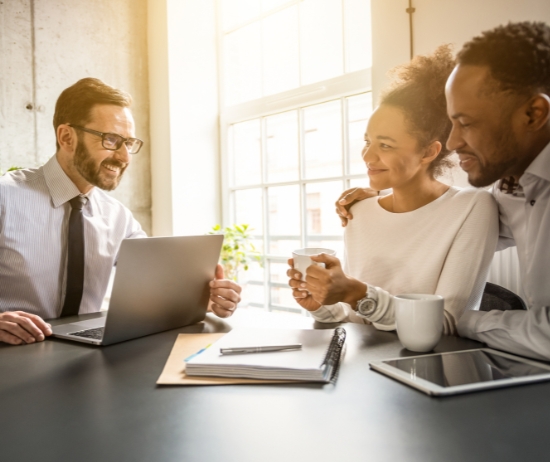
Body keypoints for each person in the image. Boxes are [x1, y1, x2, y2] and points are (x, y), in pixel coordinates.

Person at [335, 22, 550, 361]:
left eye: (467, 122)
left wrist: (455, 321)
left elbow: (544, 335)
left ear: (533, 113)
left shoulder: (488, 202)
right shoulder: (512, 192)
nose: (453, 142)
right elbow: (443, 219)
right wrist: (382, 198)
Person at [0, 78, 241, 346]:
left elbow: (157, 287)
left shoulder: (118, 217)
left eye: (129, 143)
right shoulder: (5, 197)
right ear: (67, 137)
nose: (125, 157)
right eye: (111, 139)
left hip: (85, 356)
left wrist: (197, 300)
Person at [287, 46, 499, 335]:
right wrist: (321, 304)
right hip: (362, 368)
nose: (367, 156)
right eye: (367, 142)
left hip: (429, 370)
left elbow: (446, 323)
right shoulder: (358, 211)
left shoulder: (472, 207)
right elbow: (354, 317)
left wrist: (356, 293)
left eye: (385, 145)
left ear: (428, 152)